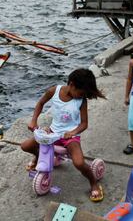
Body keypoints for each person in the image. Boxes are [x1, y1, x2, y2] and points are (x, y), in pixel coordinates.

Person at [21, 68, 105, 202]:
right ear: (71, 84)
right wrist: (33, 120)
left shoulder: (81, 100)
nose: (82, 95)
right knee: (25, 146)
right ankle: (37, 157)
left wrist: (72, 133)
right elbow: (41, 103)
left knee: (78, 162)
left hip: (70, 137)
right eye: (81, 92)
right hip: (53, 132)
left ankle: (94, 183)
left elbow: (84, 124)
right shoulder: (54, 91)